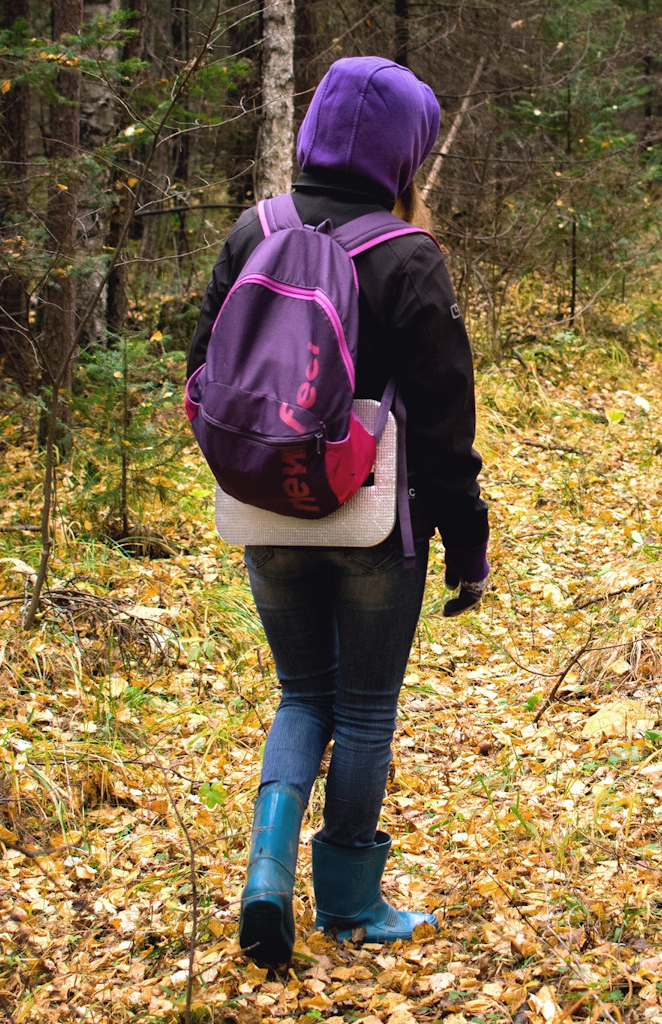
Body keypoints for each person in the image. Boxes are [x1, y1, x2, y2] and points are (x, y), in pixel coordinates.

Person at [186, 56, 491, 968]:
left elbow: (202, 373)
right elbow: (443, 426)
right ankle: (352, 904)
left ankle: (266, 877)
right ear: (404, 152)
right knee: (362, 707)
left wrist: (257, 458)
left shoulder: (254, 230)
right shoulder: (406, 255)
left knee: (300, 692)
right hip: (371, 522)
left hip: (264, 512)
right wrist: (466, 549)